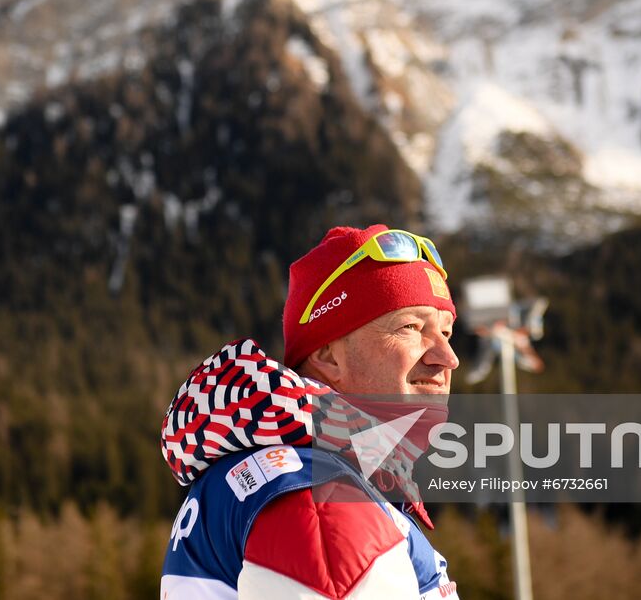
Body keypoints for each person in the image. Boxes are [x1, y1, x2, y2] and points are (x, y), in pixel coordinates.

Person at [161, 224, 461, 599]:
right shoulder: (318, 495)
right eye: (411, 327)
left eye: (446, 333)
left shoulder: (296, 471)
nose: (447, 358)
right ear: (326, 355)